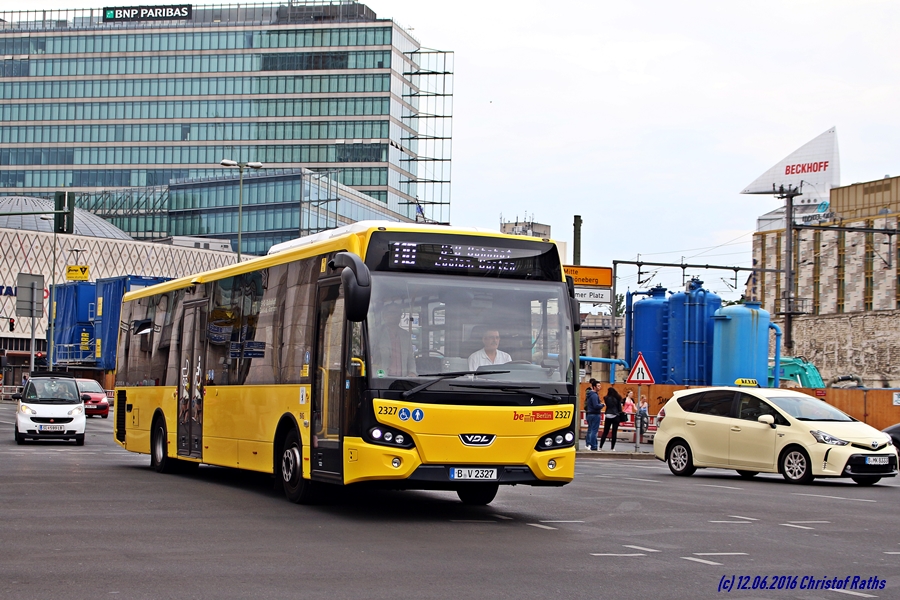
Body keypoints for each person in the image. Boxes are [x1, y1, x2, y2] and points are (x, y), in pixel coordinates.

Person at [372, 303, 417, 377]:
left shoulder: (405, 335)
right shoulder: (376, 333)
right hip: (381, 378)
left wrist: (412, 372)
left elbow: (410, 357)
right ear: (384, 315)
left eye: (398, 313)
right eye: (391, 312)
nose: (395, 315)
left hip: (402, 379)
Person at [598, 387, 624, 451]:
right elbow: (619, 409)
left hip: (608, 415)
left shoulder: (606, 398)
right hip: (616, 416)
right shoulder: (618, 398)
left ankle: (600, 447)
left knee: (605, 432)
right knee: (614, 433)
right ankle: (612, 448)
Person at [584, 378, 604, 451]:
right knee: (594, 431)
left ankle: (591, 445)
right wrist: (602, 405)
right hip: (595, 414)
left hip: (589, 414)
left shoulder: (590, 394)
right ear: (594, 387)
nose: (600, 387)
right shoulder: (594, 395)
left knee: (591, 430)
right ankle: (594, 446)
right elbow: (596, 406)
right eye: (598, 386)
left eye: (600, 386)